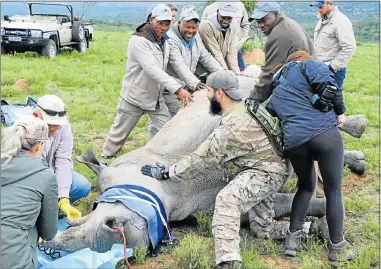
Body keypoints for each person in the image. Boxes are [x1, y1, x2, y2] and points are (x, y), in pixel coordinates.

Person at [141, 70, 290, 269]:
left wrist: (167, 173)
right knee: (263, 229)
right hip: (270, 169)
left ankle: (228, 261)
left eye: (209, 91)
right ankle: (310, 228)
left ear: (220, 93)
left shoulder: (231, 127)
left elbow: (200, 160)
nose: (208, 96)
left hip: (263, 174)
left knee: (227, 200)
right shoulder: (245, 107)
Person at [266, 50, 352, 266]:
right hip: (325, 134)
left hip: (295, 143)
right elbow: (331, 85)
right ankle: (337, 249)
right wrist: (340, 111)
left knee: (305, 187)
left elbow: (273, 114)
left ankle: (292, 242)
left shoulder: (276, 88)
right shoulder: (308, 65)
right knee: (333, 191)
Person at [101, 4, 193, 163]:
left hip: (155, 97)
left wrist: (192, 83)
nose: (163, 27)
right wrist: (178, 90)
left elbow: (173, 65)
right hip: (135, 96)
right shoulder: (139, 40)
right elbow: (152, 69)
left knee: (166, 129)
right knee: (118, 134)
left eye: (167, 23)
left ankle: (155, 160)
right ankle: (104, 161)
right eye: (160, 23)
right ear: (151, 20)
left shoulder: (164, 41)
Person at [1, 117, 58, 269]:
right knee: (32, 224)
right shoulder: (45, 176)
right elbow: (48, 233)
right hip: (12, 262)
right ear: (38, 145)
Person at [35, 94, 90, 220]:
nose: (54, 128)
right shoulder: (26, 129)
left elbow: (63, 161)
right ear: (38, 115)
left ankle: (55, 206)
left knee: (82, 186)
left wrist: (63, 199)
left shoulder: (64, 127)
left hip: (51, 170)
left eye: (57, 124)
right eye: (50, 124)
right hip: (31, 176)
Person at [247, 2, 315, 104]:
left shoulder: (278, 35)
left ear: (276, 14)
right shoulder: (289, 23)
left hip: (301, 91)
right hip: (311, 83)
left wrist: (252, 99)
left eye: (264, 20)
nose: (261, 25)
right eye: (258, 21)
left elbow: (269, 75)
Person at [164, 5, 223, 116]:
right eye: (187, 27)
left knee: (186, 114)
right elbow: (178, 64)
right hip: (172, 88)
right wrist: (195, 83)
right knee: (172, 118)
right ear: (180, 22)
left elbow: (206, 57)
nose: (190, 31)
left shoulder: (196, 38)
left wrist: (222, 73)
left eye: (194, 28)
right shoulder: (171, 38)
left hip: (187, 85)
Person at [310, 1, 356, 89]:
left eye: (321, 7)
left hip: (333, 71)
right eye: (317, 7)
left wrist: (332, 67)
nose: (319, 10)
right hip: (319, 68)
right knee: (319, 100)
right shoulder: (322, 19)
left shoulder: (341, 21)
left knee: (332, 100)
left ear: (330, 3)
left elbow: (349, 47)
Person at [202, 0, 250, 72]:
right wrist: (226, 71)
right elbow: (216, 52)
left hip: (228, 49)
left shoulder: (233, 24)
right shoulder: (206, 25)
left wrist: (237, 73)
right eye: (223, 17)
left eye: (229, 18)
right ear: (218, 12)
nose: (225, 21)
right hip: (207, 60)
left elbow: (232, 54)